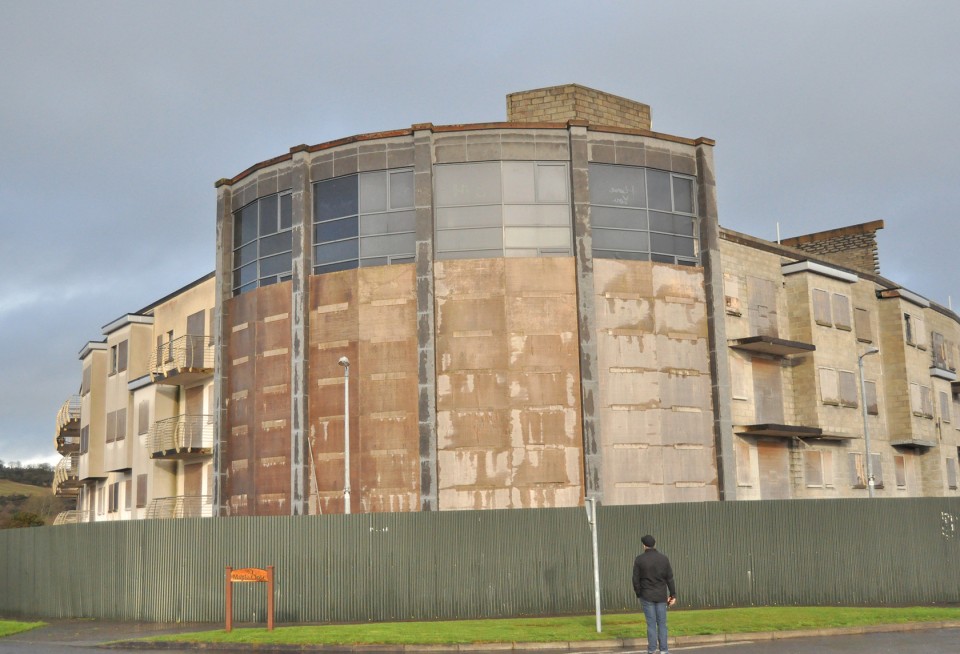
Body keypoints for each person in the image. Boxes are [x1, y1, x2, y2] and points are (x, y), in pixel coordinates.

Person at [632, 534, 676, 654]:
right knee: (662, 623)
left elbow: (635, 579)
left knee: (651, 624)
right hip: (661, 596)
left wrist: (639, 593)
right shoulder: (664, 559)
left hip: (646, 596)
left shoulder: (639, 559)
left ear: (644, 546)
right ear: (654, 544)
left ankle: (651, 650)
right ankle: (664, 650)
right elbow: (670, 578)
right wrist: (673, 595)